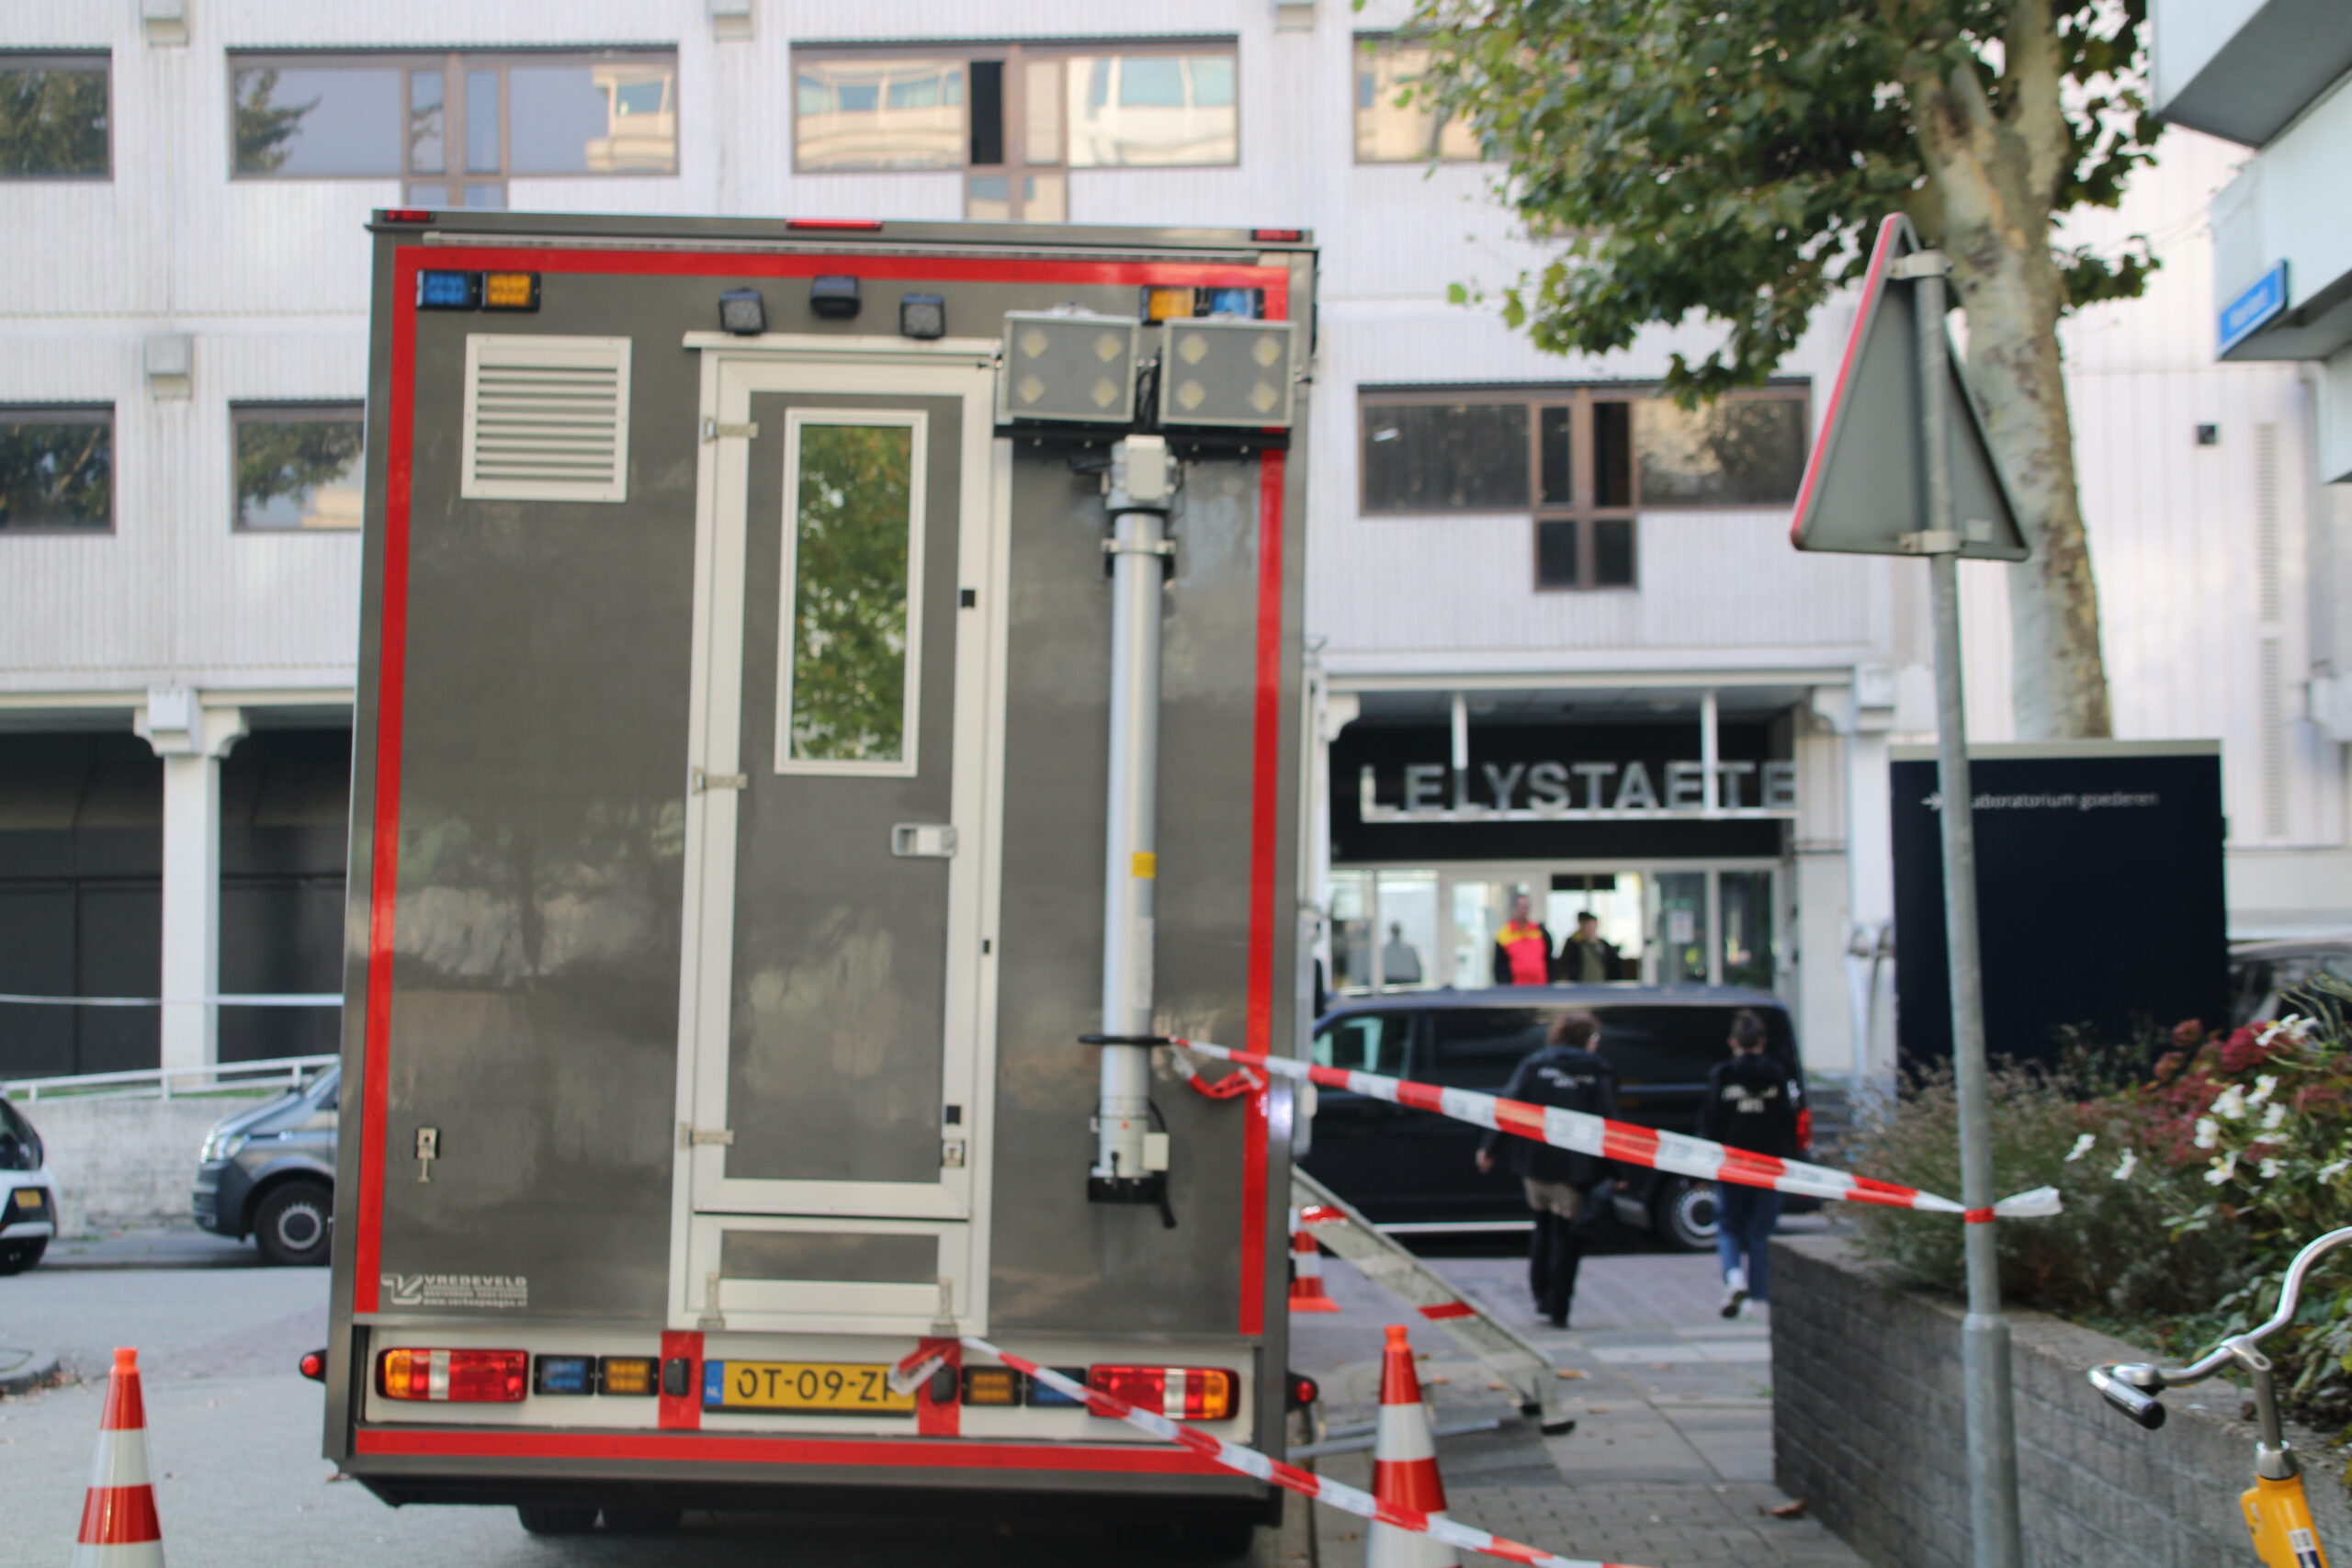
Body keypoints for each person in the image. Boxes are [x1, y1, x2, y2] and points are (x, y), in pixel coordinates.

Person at [1474, 1011, 1618, 1327]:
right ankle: (1559, 1305)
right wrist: (1617, 1171)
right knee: (1568, 1236)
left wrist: (1490, 1148)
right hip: (1575, 1168)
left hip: (1535, 1163)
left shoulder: (1536, 1064)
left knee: (1541, 1227)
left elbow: (1511, 1106)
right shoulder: (1596, 1070)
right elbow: (1608, 1121)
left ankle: (1540, 1294)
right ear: (1587, 1039)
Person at [1701, 1008, 1804, 1318]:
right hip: (1769, 1165)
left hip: (1731, 1162)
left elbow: (1711, 1121)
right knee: (1762, 1231)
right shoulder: (1776, 1074)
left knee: (1729, 1227)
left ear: (1733, 1042)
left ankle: (1734, 1279)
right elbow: (1789, 1120)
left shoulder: (1723, 1075)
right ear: (1762, 1042)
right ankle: (1758, 1297)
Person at [1489, 893, 1555, 987]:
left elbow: (1549, 960)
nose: (1523, 910)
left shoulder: (1540, 931)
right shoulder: (1504, 934)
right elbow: (1498, 967)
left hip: (1541, 987)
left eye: (1526, 906)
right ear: (1513, 908)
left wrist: (1551, 981)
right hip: (1515, 990)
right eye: (1520, 906)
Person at [1556, 911, 1621, 984]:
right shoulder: (1573, 944)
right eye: (1587, 925)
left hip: (1602, 984)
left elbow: (1612, 963)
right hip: (1580, 984)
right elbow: (1566, 964)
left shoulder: (1604, 944)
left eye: (1592, 925)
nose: (1590, 928)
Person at [1380, 921, 1423, 986]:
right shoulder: (1410, 949)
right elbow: (1418, 969)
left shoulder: (1384, 950)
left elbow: (1418, 969)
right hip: (1397, 982)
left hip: (1404, 982)